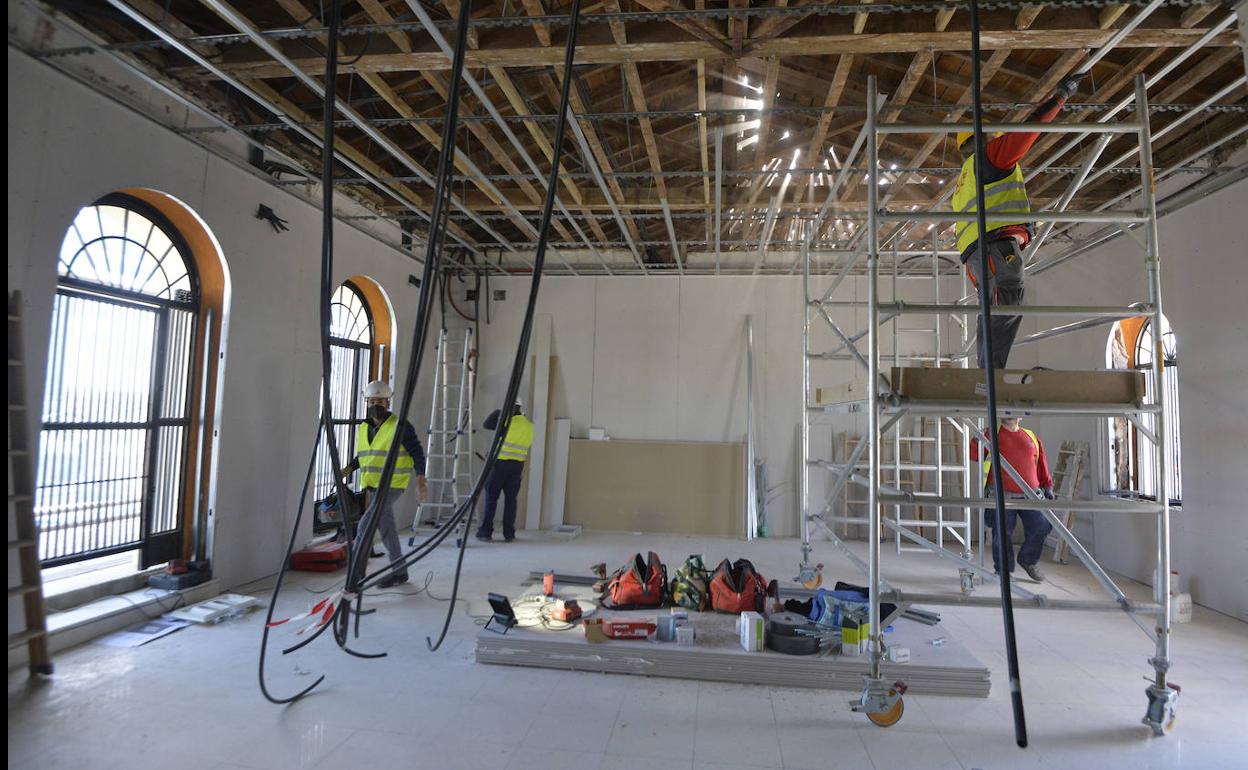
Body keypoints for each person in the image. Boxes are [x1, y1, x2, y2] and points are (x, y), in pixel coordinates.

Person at [953, 72, 1086, 370]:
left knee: (994, 310)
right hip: (995, 248)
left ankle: (987, 375)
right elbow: (1028, 132)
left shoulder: (963, 181)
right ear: (984, 138)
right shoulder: (989, 159)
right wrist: (1060, 97)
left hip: (978, 255)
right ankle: (993, 378)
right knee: (1007, 302)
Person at [340, 380, 428, 588]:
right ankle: (400, 572)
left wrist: (420, 480)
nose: (376, 404)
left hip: (392, 485)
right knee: (387, 529)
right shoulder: (364, 427)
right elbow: (366, 455)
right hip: (372, 485)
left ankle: (355, 575)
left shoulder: (400, 426)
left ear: (387, 402)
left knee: (364, 526)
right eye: (372, 400)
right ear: (367, 402)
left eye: (380, 400)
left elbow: (416, 452)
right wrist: (348, 469)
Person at [972, 417, 1055, 582]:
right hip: (1000, 495)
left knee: (1043, 525)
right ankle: (1003, 571)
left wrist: (1048, 486)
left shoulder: (1031, 436)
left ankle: (1028, 560)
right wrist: (976, 439)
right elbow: (974, 455)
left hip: (1030, 495)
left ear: (1021, 416)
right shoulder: (991, 434)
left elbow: (1041, 465)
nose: (1010, 413)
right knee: (1003, 533)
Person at [475, 400, 534, 543]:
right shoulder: (529, 425)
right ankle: (509, 533)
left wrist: (498, 411)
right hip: (517, 465)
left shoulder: (505, 422)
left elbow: (487, 424)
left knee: (491, 497)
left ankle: (486, 532)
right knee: (511, 500)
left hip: (499, 464)